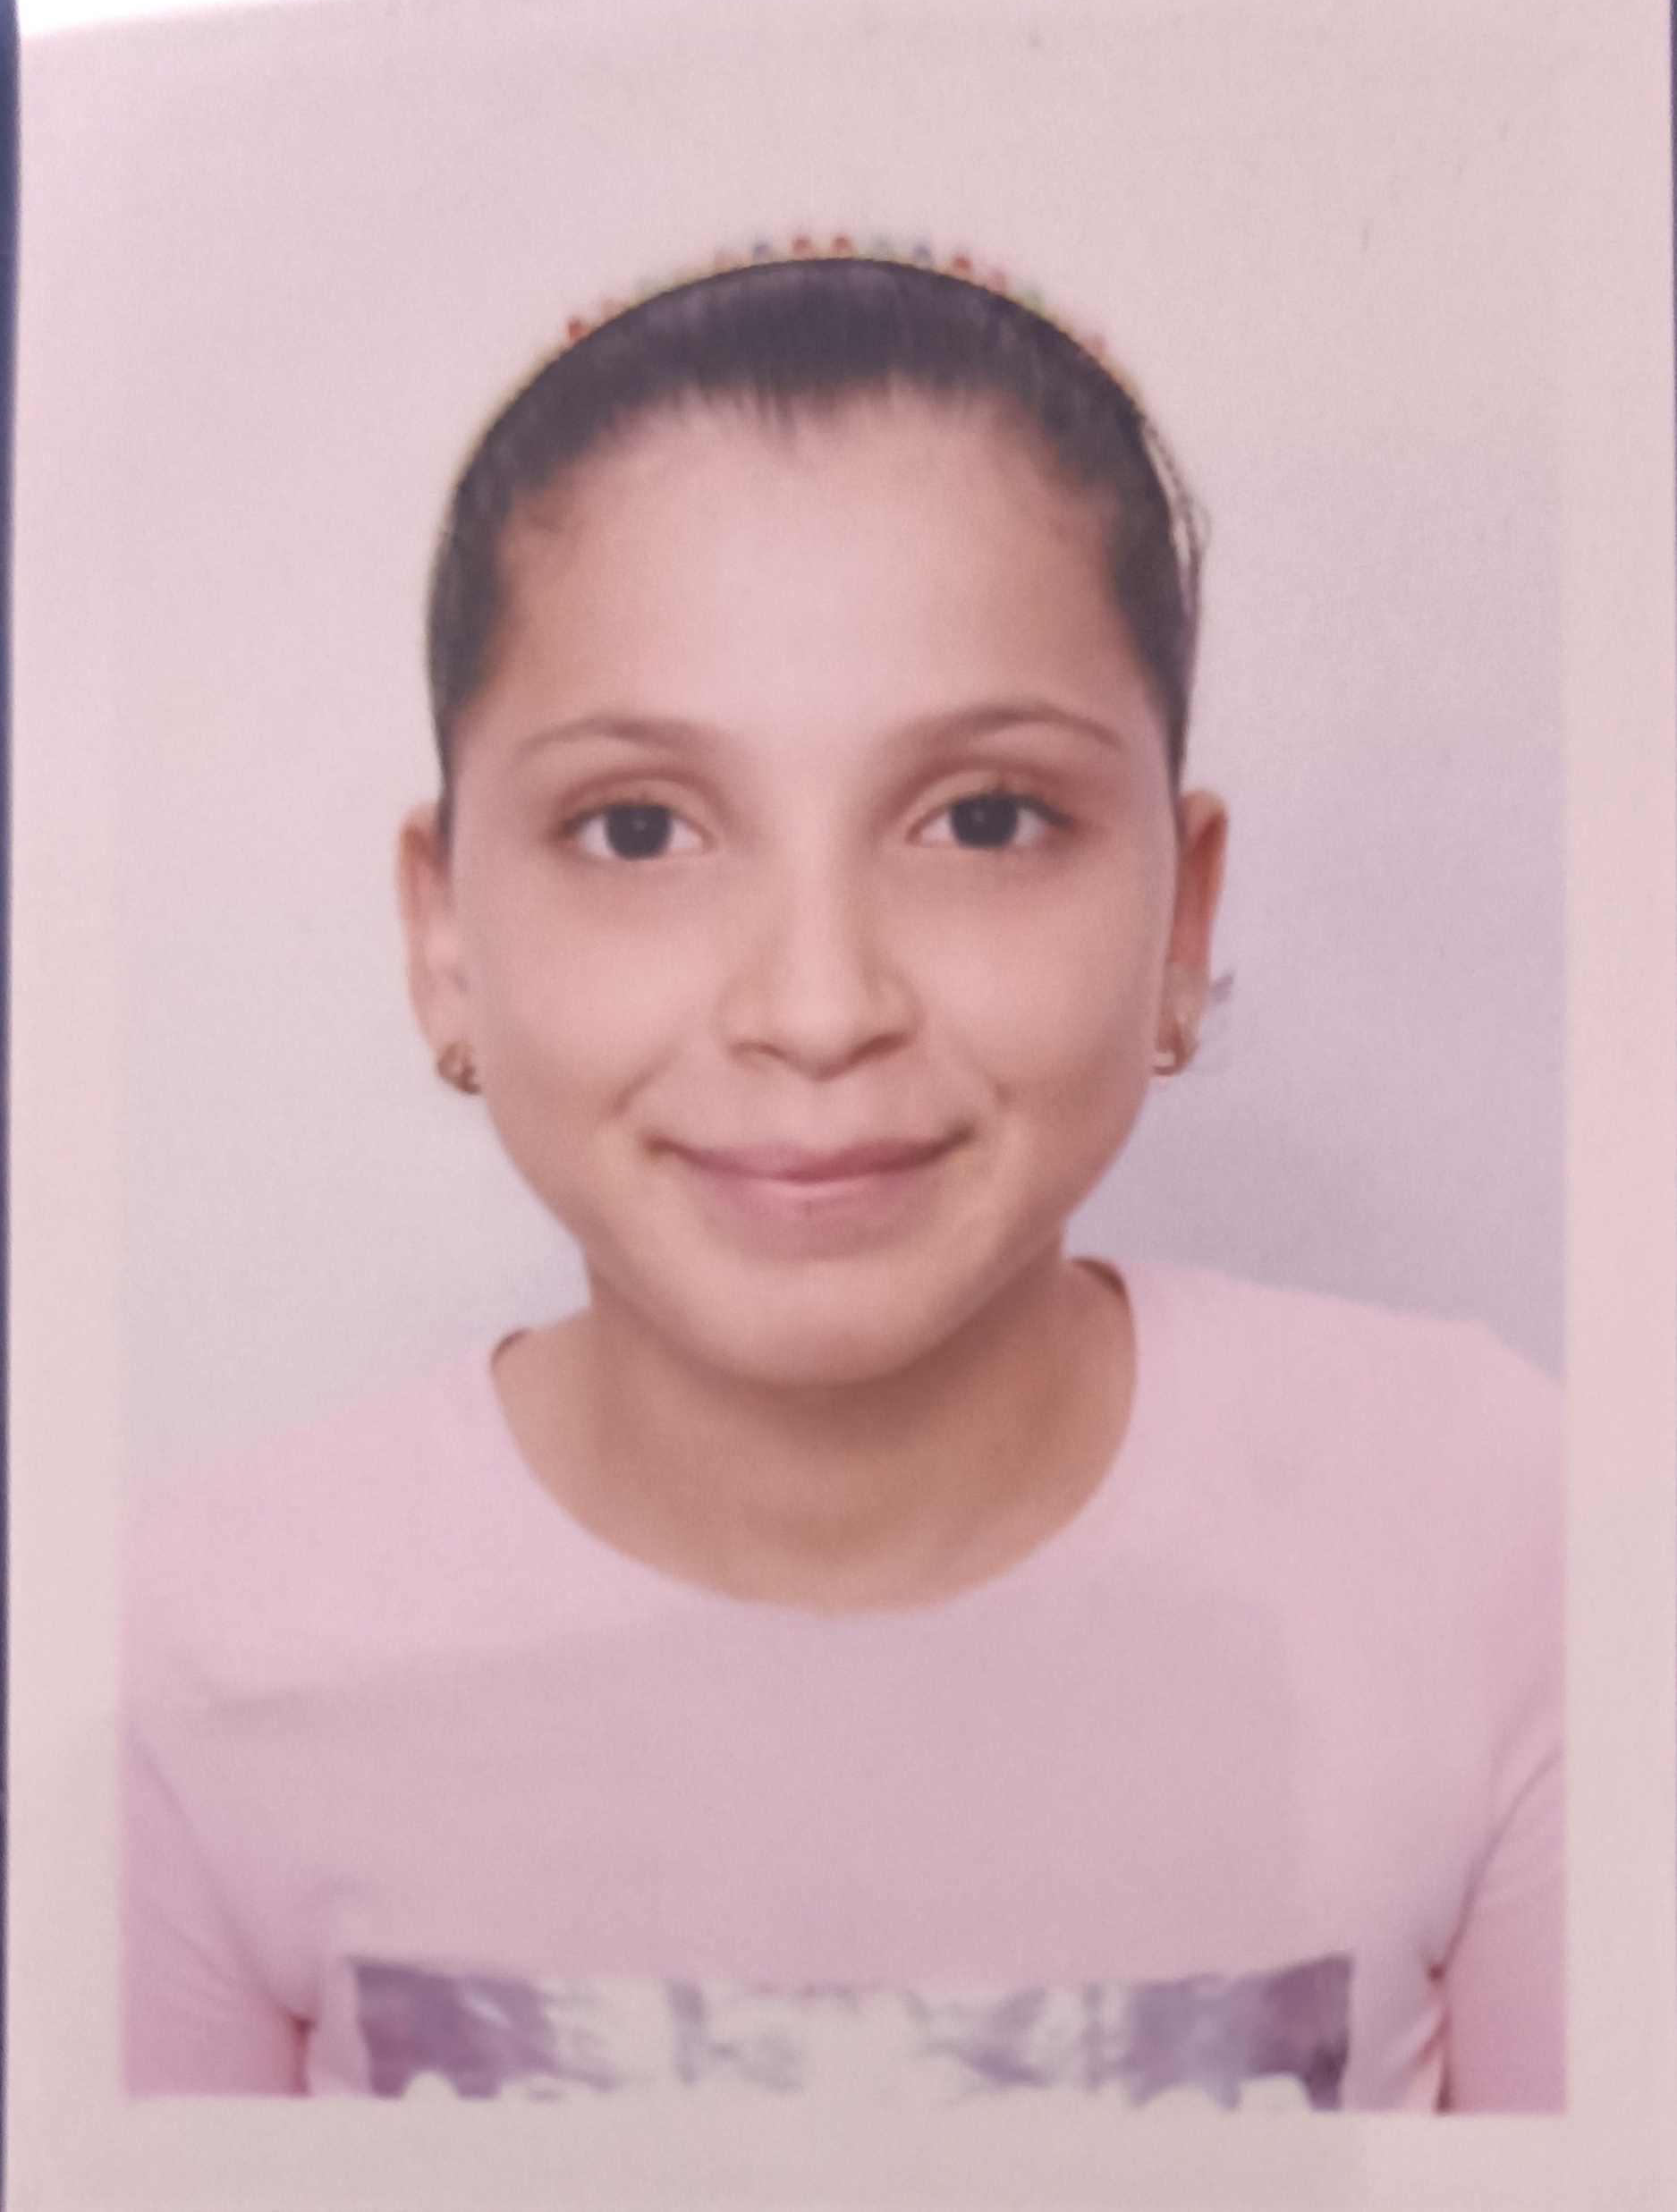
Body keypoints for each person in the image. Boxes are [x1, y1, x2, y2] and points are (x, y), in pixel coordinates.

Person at [122, 244, 1563, 2112]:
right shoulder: (186, 1655)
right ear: (444, 935)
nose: (816, 1009)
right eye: (638, 828)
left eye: (984, 819)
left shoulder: (1504, 1541)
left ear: (1183, 915)